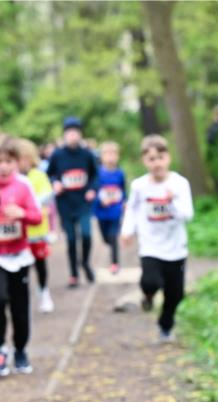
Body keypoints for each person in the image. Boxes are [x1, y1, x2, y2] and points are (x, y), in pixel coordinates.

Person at [121, 135, 193, 343]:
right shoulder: (139, 186)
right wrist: (127, 231)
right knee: (150, 281)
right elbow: (132, 211)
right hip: (150, 245)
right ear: (145, 161)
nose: (157, 163)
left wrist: (172, 201)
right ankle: (149, 296)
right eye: (151, 159)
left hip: (176, 247)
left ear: (168, 158)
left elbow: (187, 214)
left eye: (160, 157)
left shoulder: (179, 184)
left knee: (176, 294)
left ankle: (165, 325)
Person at [0, 136, 43, 377]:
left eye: (9, 161)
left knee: (20, 306)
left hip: (20, 256)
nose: (3, 166)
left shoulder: (24, 185)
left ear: (17, 163)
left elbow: (37, 216)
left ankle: (20, 350)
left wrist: (21, 213)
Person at [47, 117, 98, 286]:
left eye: (76, 132)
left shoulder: (87, 154)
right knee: (70, 239)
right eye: (69, 132)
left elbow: (95, 175)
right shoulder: (57, 155)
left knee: (86, 235)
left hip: (83, 203)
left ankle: (84, 262)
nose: (73, 135)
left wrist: (92, 188)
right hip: (65, 204)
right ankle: (73, 274)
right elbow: (49, 174)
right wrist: (55, 182)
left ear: (80, 134)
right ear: (65, 134)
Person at [17, 139, 54, 313]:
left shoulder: (38, 175)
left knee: (40, 264)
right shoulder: (13, 178)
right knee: (21, 268)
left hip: (37, 229)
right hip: (18, 233)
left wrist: (28, 205)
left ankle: (44, 292)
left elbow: (47, 194)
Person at [93, 141, 127, 274]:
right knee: (106, 238)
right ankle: (109, 242)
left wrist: (124, 202)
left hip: (115, 211)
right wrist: (100, 200)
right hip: (102, 212)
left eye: (113, 154)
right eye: (107, 154)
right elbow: (94, 191)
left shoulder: (120, 173)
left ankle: (115, 263)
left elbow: (123, 190)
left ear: (118, 156)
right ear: (101, 157)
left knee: (113, 237)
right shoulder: (98, 173)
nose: (110, 157)